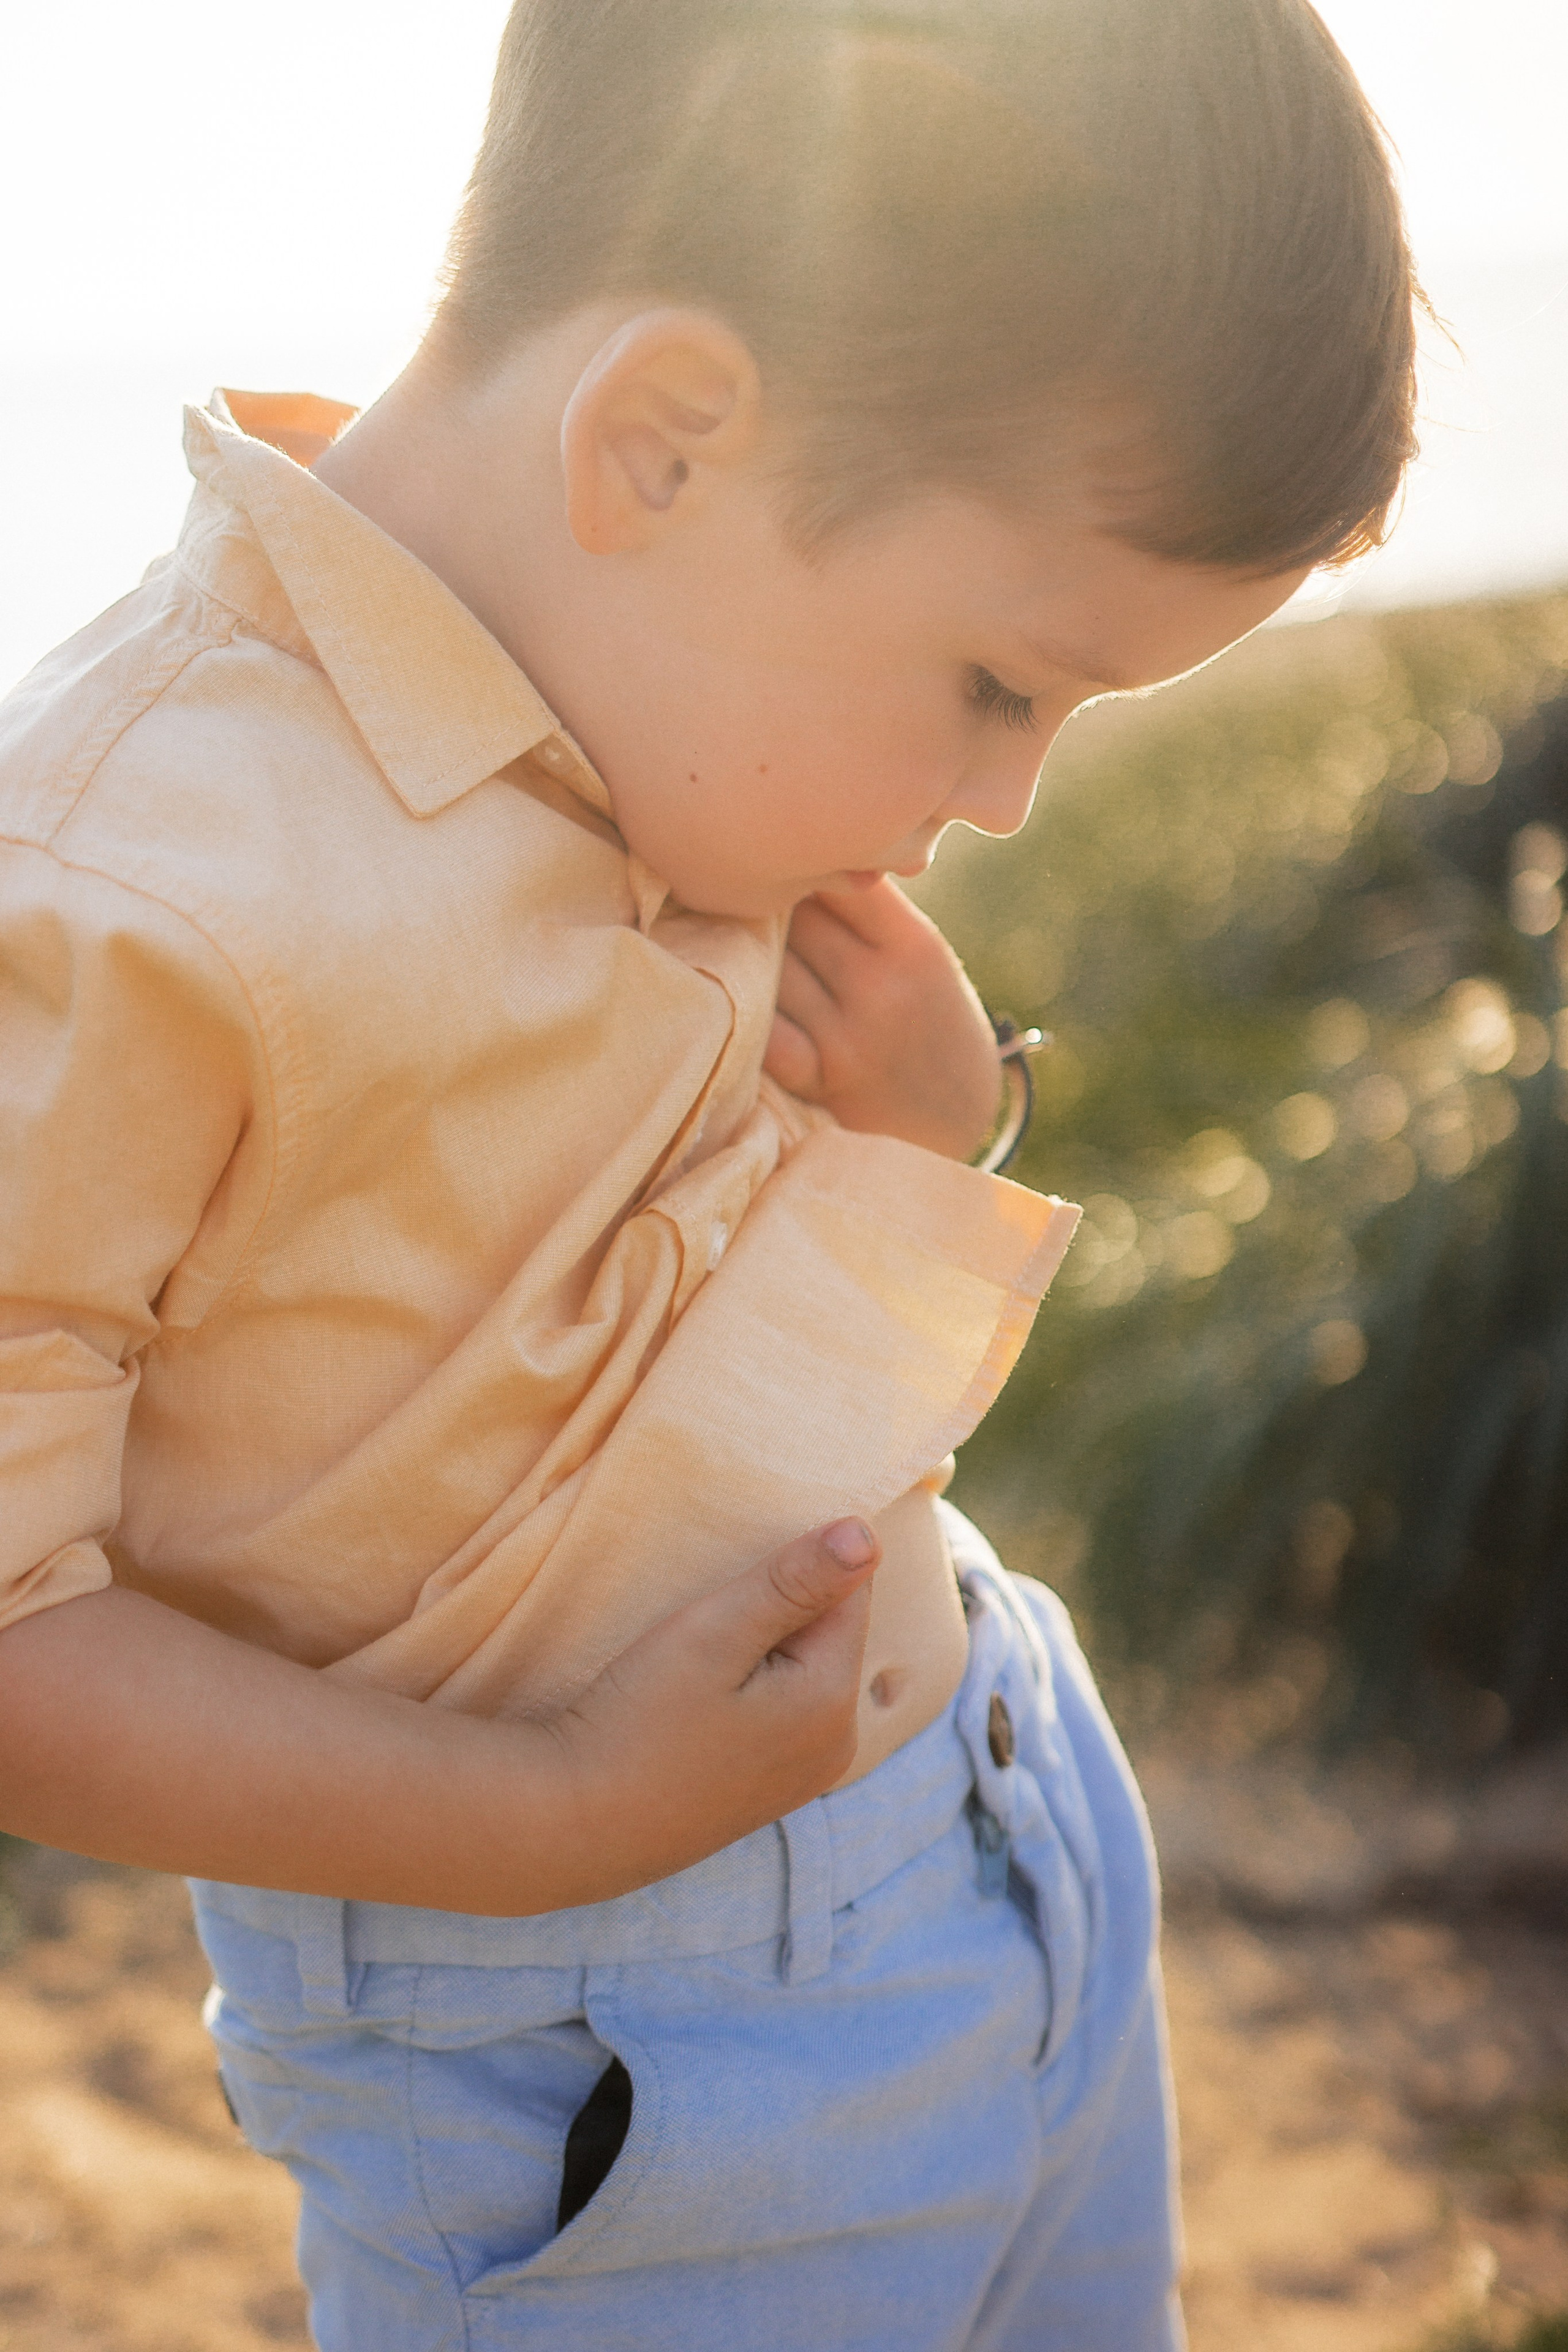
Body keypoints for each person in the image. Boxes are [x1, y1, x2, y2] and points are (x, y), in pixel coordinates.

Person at [0, 1, 1419, 2343]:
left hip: (1012, 1822)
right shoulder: (122, 888)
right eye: (1002, 685)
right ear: (658, 440)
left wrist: (916, 1144)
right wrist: (556, 1812)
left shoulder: (662, 701)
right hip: (602, 2071)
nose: (1007, 803)